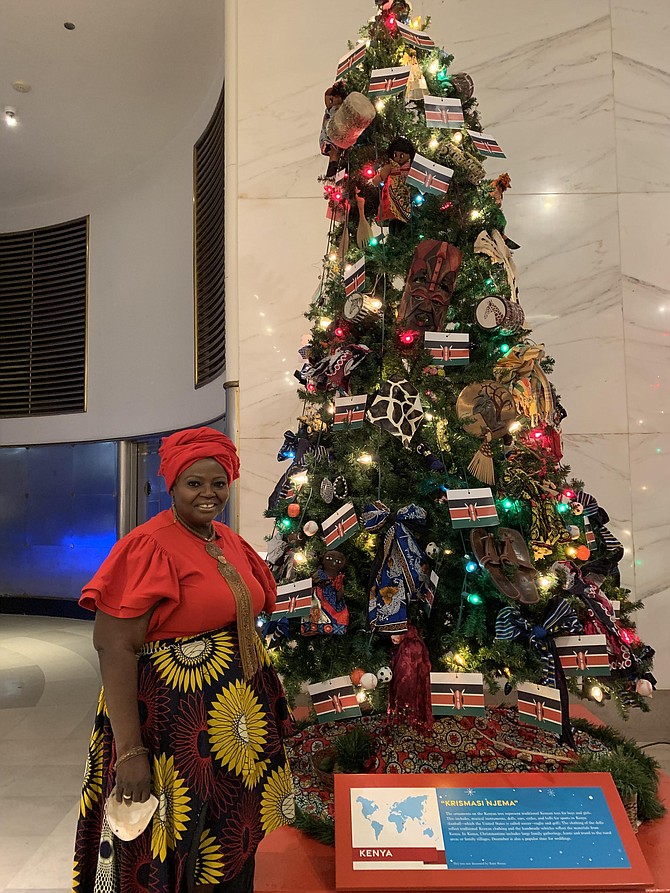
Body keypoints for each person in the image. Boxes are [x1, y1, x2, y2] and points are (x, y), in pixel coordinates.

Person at [73, 427, 295, 893]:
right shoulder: (149, 545)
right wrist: (131, 751)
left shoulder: (227, 542)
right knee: (174, 847)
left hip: (233, 731)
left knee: (230, 841)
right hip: (171, 729)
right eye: (194, 483)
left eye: (218, 482)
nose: (209, 493)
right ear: (171, 485)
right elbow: (113, 645)